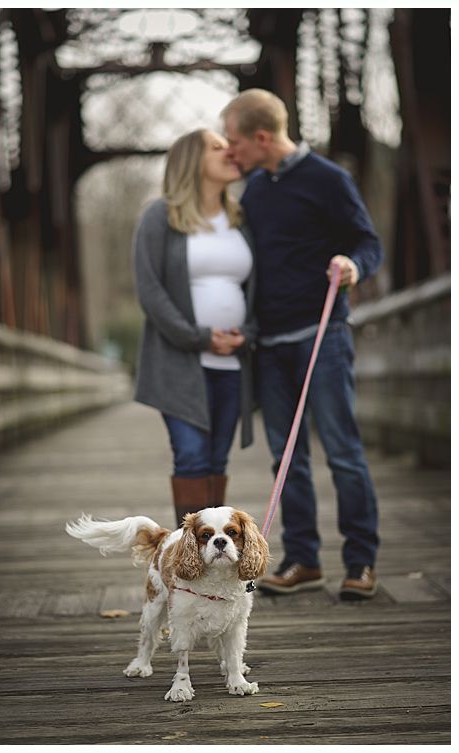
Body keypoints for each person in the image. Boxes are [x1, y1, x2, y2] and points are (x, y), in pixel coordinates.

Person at [221, 89, 383, 601]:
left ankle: (360, 562)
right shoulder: (252, 192)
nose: (231, 153)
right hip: (270, 344)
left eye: (235, 142)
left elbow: (368, 241)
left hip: (323, 336)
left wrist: (354, 265)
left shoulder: (329, 180)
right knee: (284, 458)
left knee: (342, 451)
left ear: (262, 138)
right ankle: (303, 560)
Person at [133, 128, 257, 527]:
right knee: (191, 455)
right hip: (178, 361)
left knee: (217, 460)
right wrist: (198, 337)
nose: (231, 152)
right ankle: (187, 562)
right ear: (193, 161)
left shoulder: (241, 218)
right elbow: (149, 289)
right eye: (218, 147)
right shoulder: (161, 215)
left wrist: (247, 333)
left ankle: (212, 560)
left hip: (232, 363)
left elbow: (260, 287)